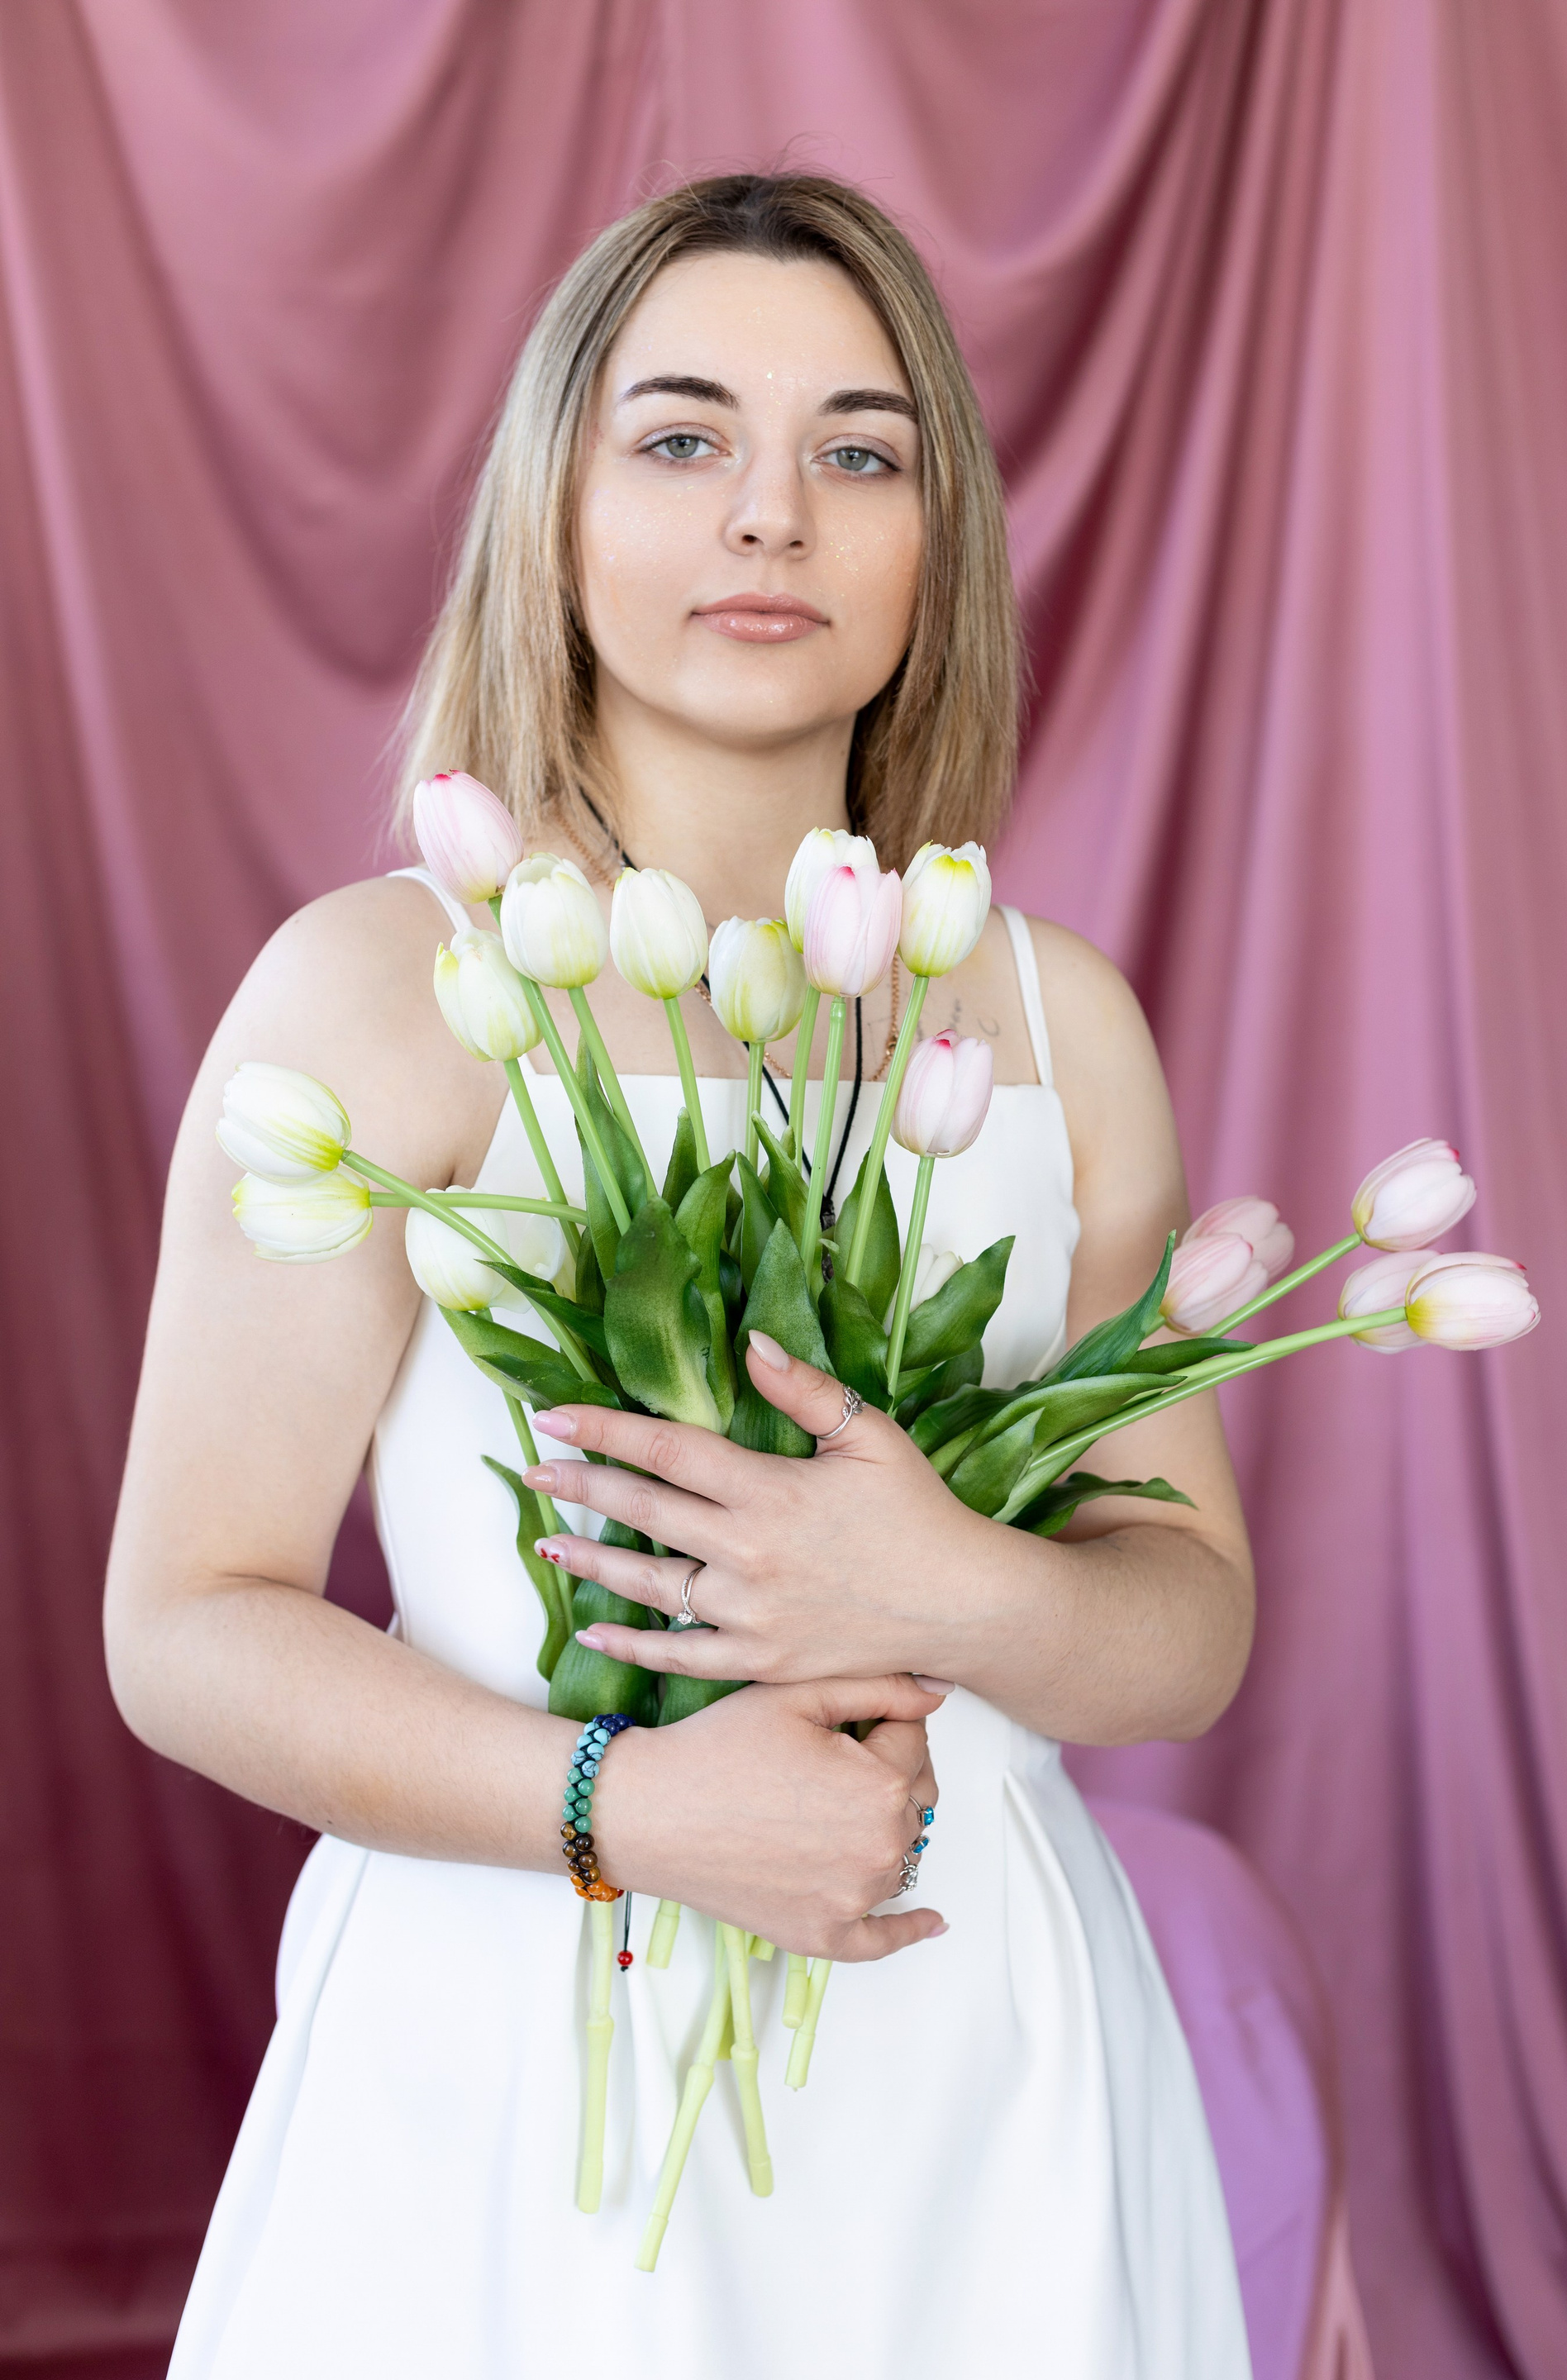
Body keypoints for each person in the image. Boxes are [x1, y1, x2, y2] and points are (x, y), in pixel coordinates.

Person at [107, 173, 1255, 2377]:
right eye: (681, 436)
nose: (770, 516)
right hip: (521, 2034)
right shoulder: (379, 994)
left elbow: (1185, 1629)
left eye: (859, 452)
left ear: (938, 544)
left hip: (982, 2052)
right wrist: (622, 1808)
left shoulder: (1053, 1023)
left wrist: (950, 1590)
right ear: (551, 509)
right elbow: (185, 1624)